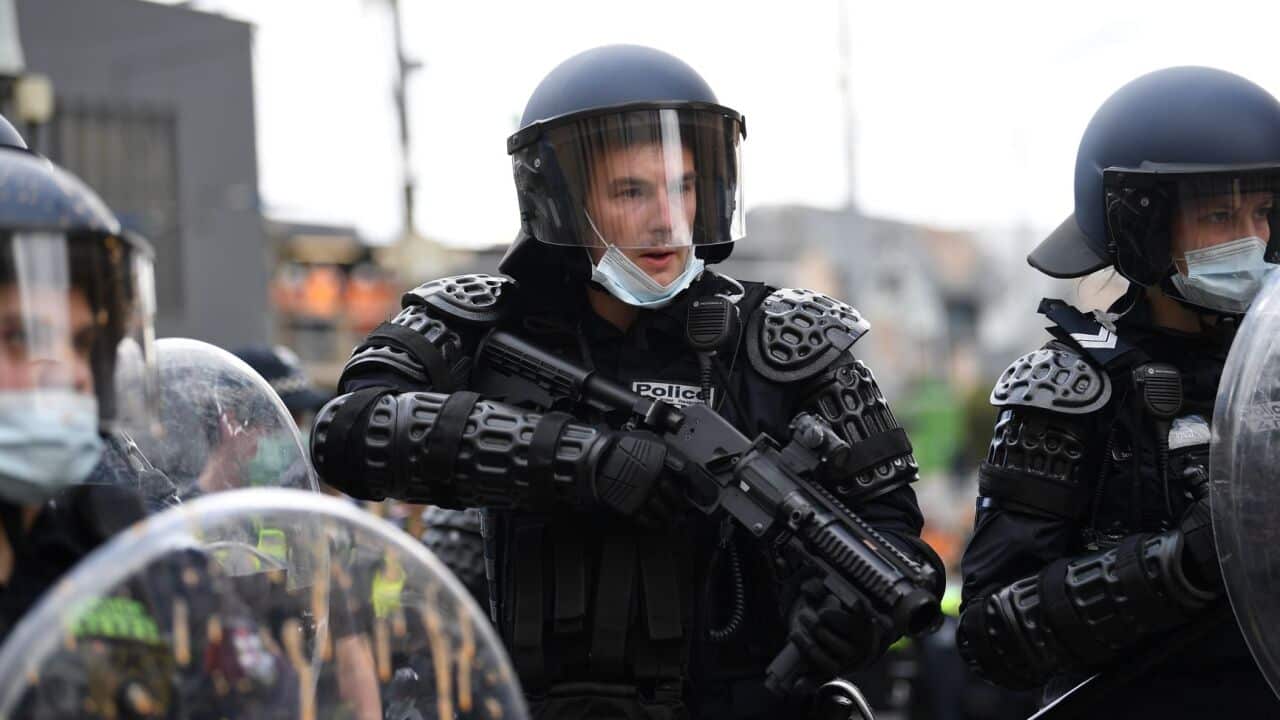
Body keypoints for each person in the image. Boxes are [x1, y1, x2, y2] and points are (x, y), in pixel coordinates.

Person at [310, 44, 942, 719]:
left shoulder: (785, 338)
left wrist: (848, 620)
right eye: (630, 190)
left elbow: (897, 548)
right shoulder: (477, 321)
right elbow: (350, 429)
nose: (666, 218)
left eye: (682, 186)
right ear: (560, 200)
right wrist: (582, 459)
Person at [956, 66, 1280, 716]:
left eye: (1264, 211)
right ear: (1142, 226)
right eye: (1219, 214)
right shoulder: (1068, 390)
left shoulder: (1271, 370)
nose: (1254, 237)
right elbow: (992, 633)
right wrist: (1181, 563)